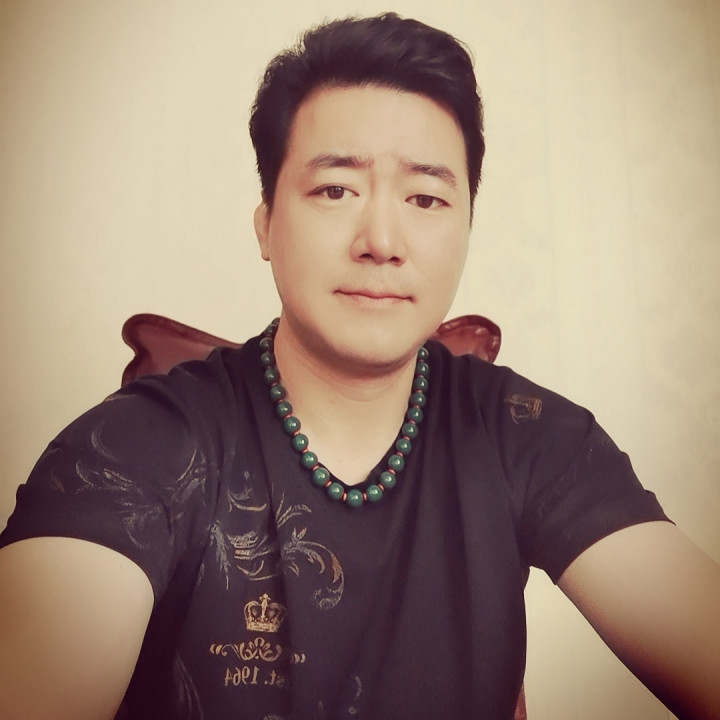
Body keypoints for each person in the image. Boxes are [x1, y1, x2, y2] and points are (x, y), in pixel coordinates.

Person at [0, 12, 719, 720]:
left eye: (427, 198)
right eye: (335, 190)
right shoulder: (140, 445)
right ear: (266, 225)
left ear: (467, 227)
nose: (381, 240)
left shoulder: (528, 436)